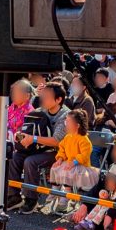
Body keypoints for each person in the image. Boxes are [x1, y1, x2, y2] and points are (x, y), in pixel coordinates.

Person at [6, 81, 69, 214]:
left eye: (47, 97)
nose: (42, 99)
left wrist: (33, 139)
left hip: (59, 153)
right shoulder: (40, 111)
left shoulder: (65, 116)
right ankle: (14, 196)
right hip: (38, 148)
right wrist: (21, 135)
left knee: (31, 161)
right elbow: (28, 128)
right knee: (14, 156)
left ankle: (31, 199)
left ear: (58, 100)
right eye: (43, 95)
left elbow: (56, 141)